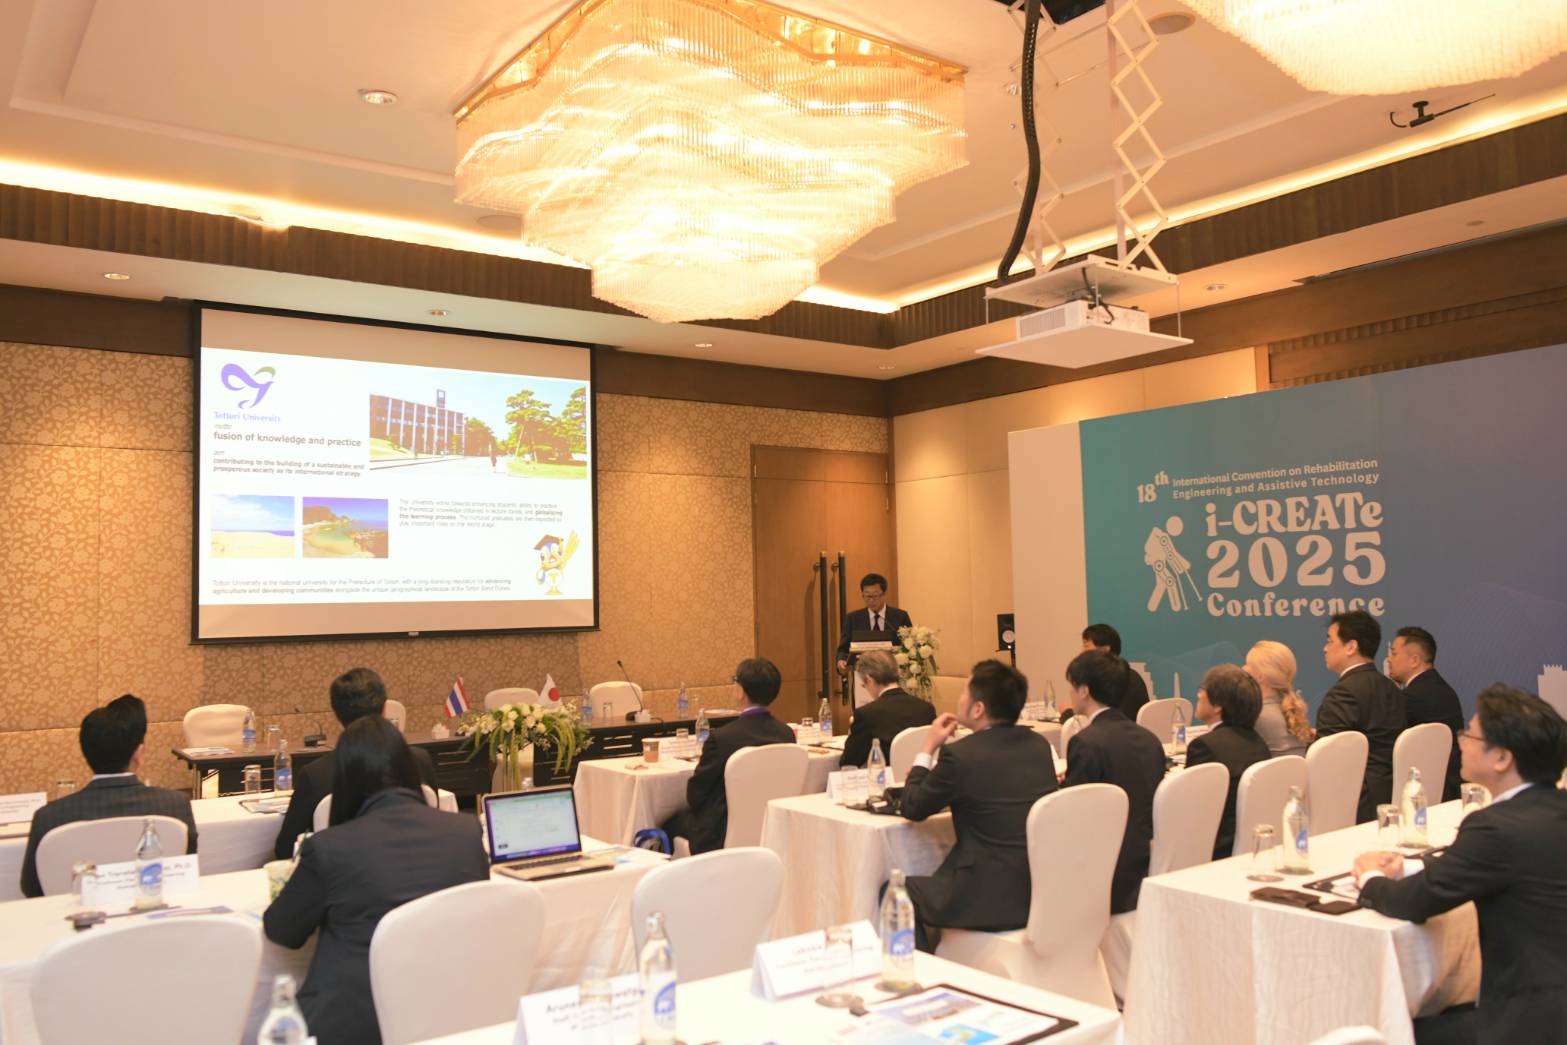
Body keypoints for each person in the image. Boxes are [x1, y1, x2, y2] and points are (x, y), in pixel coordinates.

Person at [1353, 685, 1567, 1045]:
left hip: (1530, 1024)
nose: (1461, 742)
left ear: (1502, 758)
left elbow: (1416, 902)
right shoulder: (1552, 810)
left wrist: (1369, 877)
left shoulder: (1495, 826)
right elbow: (1491, 867)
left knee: (1391, 1030)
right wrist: (1406, 868)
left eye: (1470, 734)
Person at [264, 717, 487, 1045]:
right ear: (409, 769)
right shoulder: (466, 832)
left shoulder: (330, 849)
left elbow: (283, 931)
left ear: (345, 780)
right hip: (447, 1010)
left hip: (354, 1024)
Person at [898, 659, 1058, 951]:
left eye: (964, 692)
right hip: (1038, 890)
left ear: (978, 709)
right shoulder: (1037, 746)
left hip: (986, 897)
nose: (960, 699)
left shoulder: (961, 755)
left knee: (897, 894)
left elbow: (913, 807)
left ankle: (914, 972)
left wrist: (928, 747)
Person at [20, 694, 198, 898]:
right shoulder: (175, 805)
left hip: (76, 915)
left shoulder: (48, 817)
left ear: (85, 752)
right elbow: (187, 873)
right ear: (139, 754)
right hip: (151, 912)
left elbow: (32, 888)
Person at [274, 667, 438, 859]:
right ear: (385, 708)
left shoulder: (315, 776)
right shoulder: (420, 760)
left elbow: (286, 849)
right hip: (416, 862)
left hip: (345, 869)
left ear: (336, 715)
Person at [1062, 650, 1166, 913]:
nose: (1070, 693)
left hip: (1105, 869)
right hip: (1144, 860)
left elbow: (1074, 811)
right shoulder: (1149, 739)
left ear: (1084, 691)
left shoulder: (1086, 742)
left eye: (1072, 686)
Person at [662, 658, 794, 854]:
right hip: (772, 827)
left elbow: (696, 795)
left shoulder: (721, 738)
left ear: (740, 691)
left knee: (667, 823)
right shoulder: (786, 734)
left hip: (720, 832)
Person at [1315, 610, 1406, 823]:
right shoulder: (1390, 687)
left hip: (1355, 803)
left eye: (1330, 641)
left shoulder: (1343, 693)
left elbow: (1329, 760)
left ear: (1351, 647)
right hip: (1391, 793)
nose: (1325, 648)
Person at [1186, 665, 1271, 860]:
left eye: (1203, 689)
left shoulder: (1205, 746)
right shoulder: (1258, 743)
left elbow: (1191, 808)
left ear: (1218, 706)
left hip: (1212, 850)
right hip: (1246, 845)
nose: (1199, 695)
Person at [1388, 626, 1464, 802]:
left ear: (1414, 660)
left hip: (1428, 793)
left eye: (1394, 653)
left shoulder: (1412, 697)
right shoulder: (1443, 689)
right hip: (1451, 787)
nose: (1389, 659)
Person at [840, 650, 936, 768]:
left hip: (887, 778)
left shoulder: (867, 714)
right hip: (922, 775)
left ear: (870, 679)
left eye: (864, 685)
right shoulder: (926, 709)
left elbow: (849, 762)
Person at [1244, 640, 1314, 757]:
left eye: (1247, 664)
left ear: (1260, 676)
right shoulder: (1293, 710)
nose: (1243, 668)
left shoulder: (1255, 716)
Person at [836, 573, 913, 677]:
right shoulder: (853, 619)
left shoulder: (900, 617)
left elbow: (910, 646)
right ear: (862, 595)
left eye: (875, 596)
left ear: (884, 594)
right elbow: (843, 649)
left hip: (894, 674)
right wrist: (841, 661)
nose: (871, 600)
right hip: (863, 676)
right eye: (867, 596)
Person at [1081, 623, 1150, 721]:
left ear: (1105, 650)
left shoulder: (1115, 680)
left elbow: (1108, 721)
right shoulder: (1128, 674)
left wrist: (1067, 715)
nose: (1082, 651)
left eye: (1086, 646)